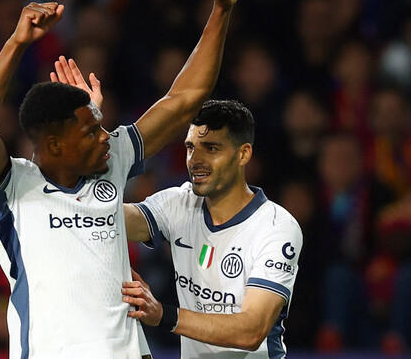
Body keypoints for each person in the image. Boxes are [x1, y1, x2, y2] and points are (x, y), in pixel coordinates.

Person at [0, 0, 240, 358]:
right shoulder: (12, 188)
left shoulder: (110, 160)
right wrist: (16, 44)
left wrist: (221, 10)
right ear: (55, 145)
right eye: (92, 132)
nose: (106, 136)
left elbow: (185, 98)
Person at [122, 100, 303, 358]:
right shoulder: (180, 203)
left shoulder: (276, 227)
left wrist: (164, 315)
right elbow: (112, 219)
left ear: (243, 154)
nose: (195, 160)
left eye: (211, 148)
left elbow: (251, 330)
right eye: (190, 148)